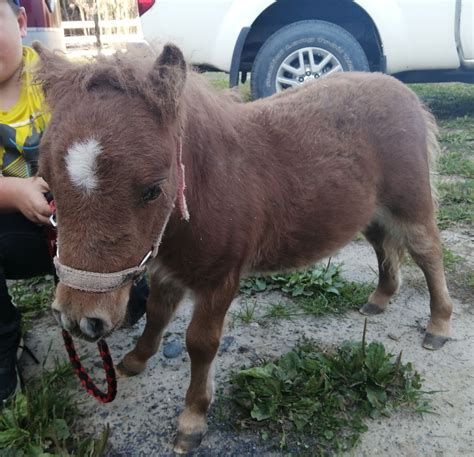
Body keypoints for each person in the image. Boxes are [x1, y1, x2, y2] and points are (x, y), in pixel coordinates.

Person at [0, 0, 147, 402]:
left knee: (122, 222)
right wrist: (14, 192)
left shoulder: (62, 80)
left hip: (77, 220)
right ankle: (3, 341)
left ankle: (120, 288)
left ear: (21, 21)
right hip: (12, 230)